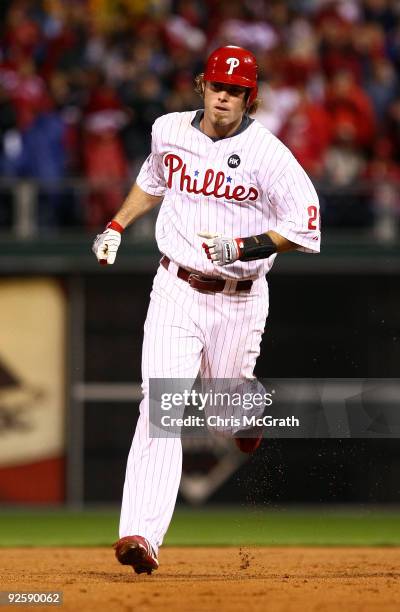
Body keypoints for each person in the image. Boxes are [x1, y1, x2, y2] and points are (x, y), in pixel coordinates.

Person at [92, 45, 321, 575]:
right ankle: (142, 536)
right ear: (203, 85)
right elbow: (151, 183)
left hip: (237, 300)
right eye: (218, 86)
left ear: (250, 97)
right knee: (161, 403)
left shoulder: (269, 155)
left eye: (236, 90)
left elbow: (306, 229)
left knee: (223, 415)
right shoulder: (169, 130)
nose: (224, 97)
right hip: (175, 288)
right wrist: (117, 226)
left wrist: (246, 247)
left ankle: (248, 409)